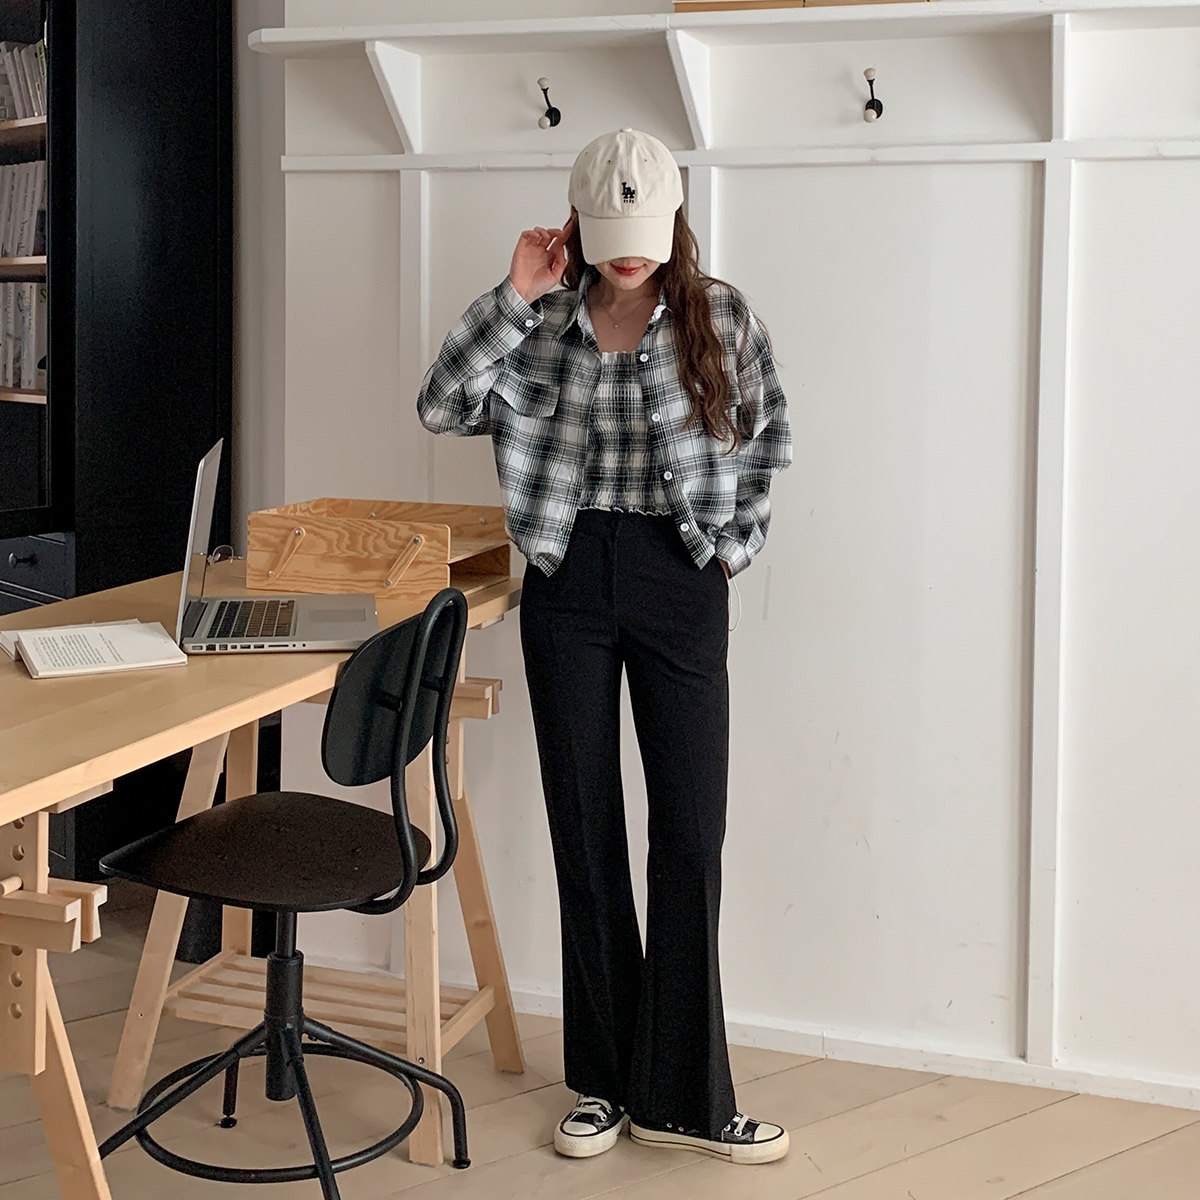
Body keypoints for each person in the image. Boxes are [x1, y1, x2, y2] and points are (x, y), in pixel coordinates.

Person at [417, 128, 792, 1166]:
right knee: (583, 830)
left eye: (645, 235)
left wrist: (728, 551)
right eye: (610, 235)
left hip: (681, 577)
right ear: (576, 224)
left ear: (674, 222)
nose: (629, 256)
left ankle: (689, 1097)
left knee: (690, 833)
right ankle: (605, 1083)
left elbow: (770, 439)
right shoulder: (539, 319)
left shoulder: (720, 317)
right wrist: (512, 293)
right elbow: (441, 404)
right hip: (568, 577)